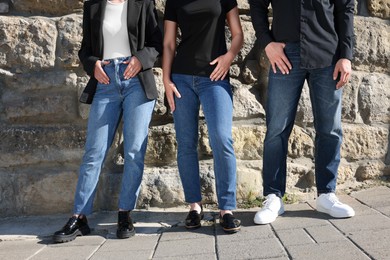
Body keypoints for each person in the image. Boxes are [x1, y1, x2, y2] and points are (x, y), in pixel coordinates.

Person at [53, 0, 162, 243]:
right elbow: (85, 50)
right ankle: (79, 217)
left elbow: (157, 43)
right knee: (94, 151)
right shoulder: (93, 6)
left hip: (136, 81)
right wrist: (93, 65)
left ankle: (125, 213)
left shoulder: (143, 3)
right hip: (105, 83)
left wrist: (140, 59)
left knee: (134, 150)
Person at [249, 0, 356, 224]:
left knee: (330, 128)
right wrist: (267, 43)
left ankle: (326, 194)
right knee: (277, 129)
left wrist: (345, 55)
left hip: (327, 53)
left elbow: (345, 7)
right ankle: (273, 196)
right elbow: (256, 4)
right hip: (285, 53)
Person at [162, 0, 244, 234]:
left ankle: (226, 209)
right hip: (182, 78)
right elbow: (168, 44)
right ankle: (194, 207)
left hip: (215, 78)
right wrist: (166, 80)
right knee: (186, 143)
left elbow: (238, 34)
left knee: (222, 139)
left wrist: (229, 57)